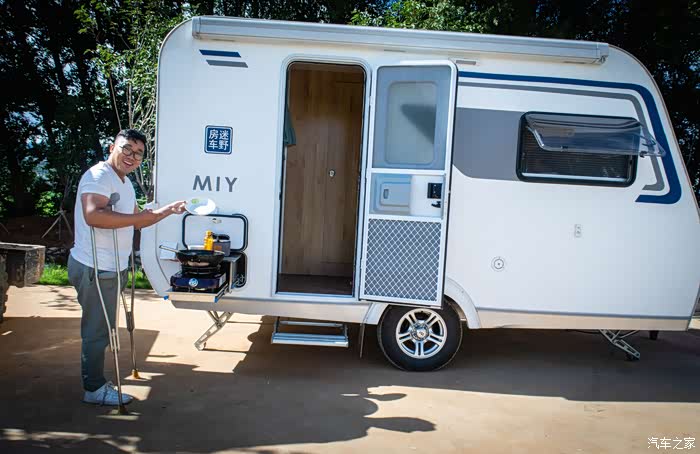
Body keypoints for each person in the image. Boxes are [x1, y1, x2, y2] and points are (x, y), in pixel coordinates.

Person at [68, 129, 186, 406]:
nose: (132, 156)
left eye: (138, 153)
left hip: (112, 267)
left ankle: (95, 384)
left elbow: (139, 220)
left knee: (104, 327)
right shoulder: (99, 176)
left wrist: (168, 210)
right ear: (112, 147)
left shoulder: (124, 182)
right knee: (97, 331)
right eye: (127, 149)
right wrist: (135, 218)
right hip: (96, 267)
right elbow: (93, 215)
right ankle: (94, 388)